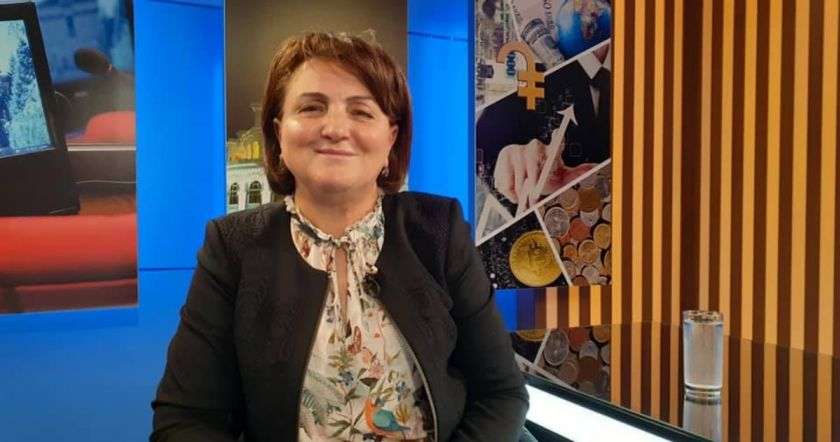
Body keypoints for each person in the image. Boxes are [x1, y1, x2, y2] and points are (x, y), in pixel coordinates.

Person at [151, 32, 528, 442]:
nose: (334, 128)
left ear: (391, 138)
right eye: (311, 107)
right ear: (278, 133)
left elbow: (501, 394)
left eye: (361, 112)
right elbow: (185, 420)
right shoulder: (232, 246)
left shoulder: (439, 229)